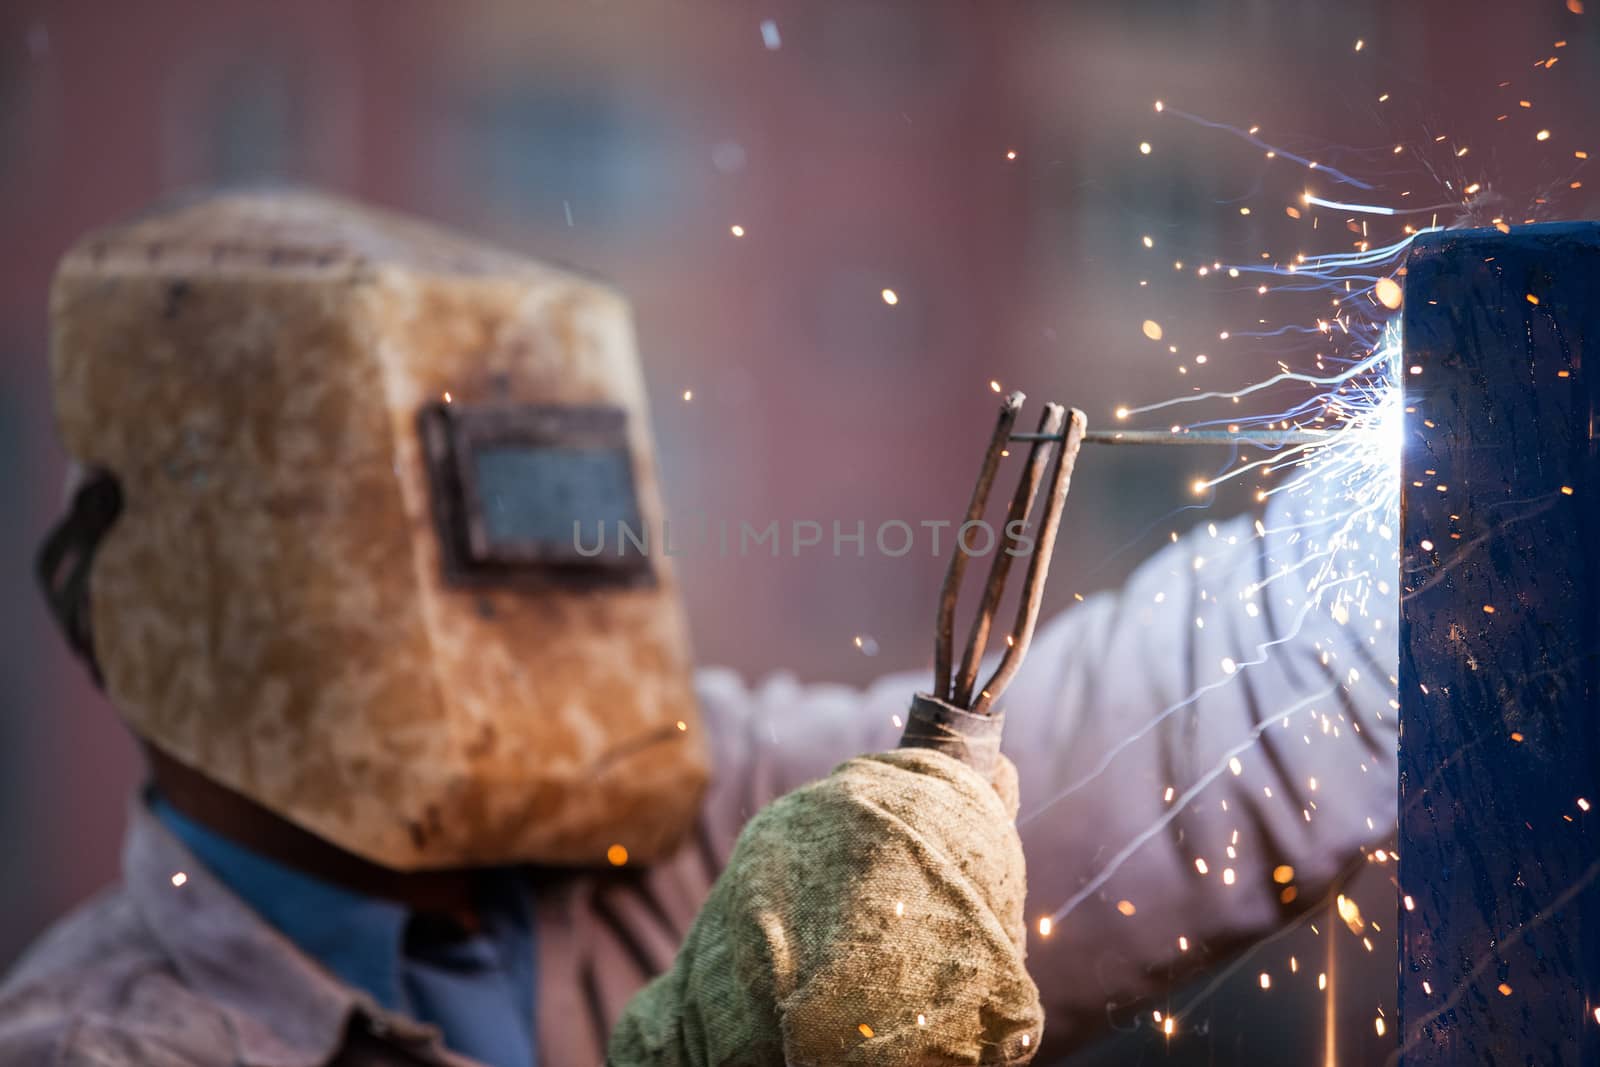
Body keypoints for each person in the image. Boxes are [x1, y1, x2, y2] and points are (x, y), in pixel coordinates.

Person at [0, 190, 1397, 1065]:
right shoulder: (109, 1046)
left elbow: (1168, 728)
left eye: (552, 513)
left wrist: (1415, 538)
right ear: (181, 606)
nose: (529, 604)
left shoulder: (684, 809)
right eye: (448, 530)